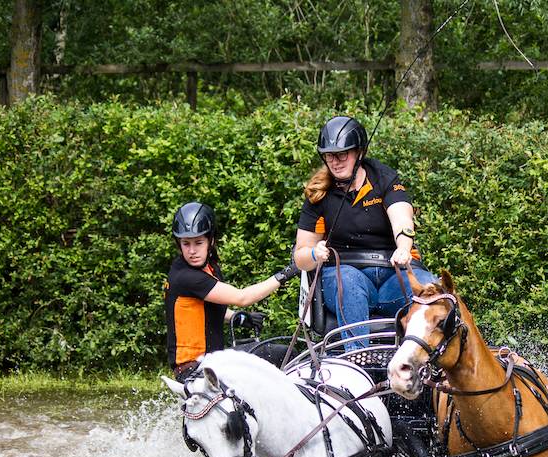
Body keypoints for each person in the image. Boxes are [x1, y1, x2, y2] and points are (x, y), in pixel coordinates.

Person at [292, 116, 436, 349]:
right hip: (344, 274)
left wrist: (403, 247)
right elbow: (300, 257)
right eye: (329, 156)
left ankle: (428, 360)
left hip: (393, 273)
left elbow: (402, 217)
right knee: (348, 282)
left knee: (432, 289)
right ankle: (357, 358)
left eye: (342, 155)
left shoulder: (383, 177)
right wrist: (313, 254)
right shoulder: (318, 194)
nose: (335, 162)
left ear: (359, 153)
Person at [164, 201, 298, 380]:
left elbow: (204, 309)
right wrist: (287, 273)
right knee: (286, 354)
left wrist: (238, 317)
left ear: (211, 241)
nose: (192, 251)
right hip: (195, 370)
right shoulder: (186, 276)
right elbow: (242, 298)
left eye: (198, 242)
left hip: (211, 362)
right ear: (178, 244)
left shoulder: (206, 268)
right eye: (186, 244)